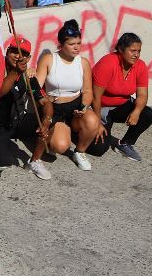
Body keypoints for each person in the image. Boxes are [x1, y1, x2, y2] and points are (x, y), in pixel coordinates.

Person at [0, 35, 56, 180]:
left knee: (51, 122)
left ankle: (35, 161)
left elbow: (45, 101)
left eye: (23, 54)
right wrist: (15, 72)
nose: (19, 56)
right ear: (7, 52)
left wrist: (47, 120)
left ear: (29, 58)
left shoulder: (27, 76)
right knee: (3, 162)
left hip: (15, 120)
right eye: (14, 51)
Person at [34, 20, 106, 172]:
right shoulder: (49, 59)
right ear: (61, 44)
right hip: (55, 107)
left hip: (75, 105)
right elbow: (37, 87)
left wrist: (84, 106)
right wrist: (45, 99)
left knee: (93, 120)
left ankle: (80, 152)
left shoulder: (83, 62)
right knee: (60, 146)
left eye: (79, 43)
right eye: (72, 44)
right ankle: (58, 135)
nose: (76, 47)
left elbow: (87, 91)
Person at [92, 32, 152, 162]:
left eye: (139, 51)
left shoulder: (140, 66)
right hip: (101, 106)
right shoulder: (108, 62)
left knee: (148, 114)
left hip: (121, 105)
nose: (136, 55)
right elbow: (95, 96)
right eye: (132, 51)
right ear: (121, 49)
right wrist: (97, 121)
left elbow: (142, 94)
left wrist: (136, 112)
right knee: (98, 149)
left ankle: (125, 144)